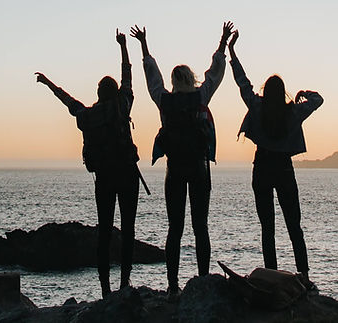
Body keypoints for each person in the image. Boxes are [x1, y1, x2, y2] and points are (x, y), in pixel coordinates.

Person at [130, 21, 234, 297]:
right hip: (199, 169)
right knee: (201, 226)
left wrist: (144, 46)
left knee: (174, 228)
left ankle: (173, 285)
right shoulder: (202, 96)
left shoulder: (165, 101)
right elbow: (216, 72)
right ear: (192, 78)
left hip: (174, 169)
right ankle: (201, 280)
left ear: (174, 82)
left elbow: (152, 79)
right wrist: (222, 41)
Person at [35, 29, 141, 298]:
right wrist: (123, 47)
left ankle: (105, 289)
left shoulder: (88, 116)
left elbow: (68, 101)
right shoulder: (123, 106)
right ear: (115, 92)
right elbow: (128, 77)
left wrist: (48, 84)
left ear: (98, 93)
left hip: (104, 177)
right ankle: (125, 282)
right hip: (127, 174)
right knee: (128, 229)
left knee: (104, 231)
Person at [227, 29, 324, 290]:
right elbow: (318, 100)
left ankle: (270, 275)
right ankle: (303, 275)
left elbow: (242, 82)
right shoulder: (294, 111)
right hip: (283, 168)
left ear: (265, 91)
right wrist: (304, 92)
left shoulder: (256, 106)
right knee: (294, 225)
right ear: (282, 92)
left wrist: (232, 51)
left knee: (267, 226)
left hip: (262, 167)